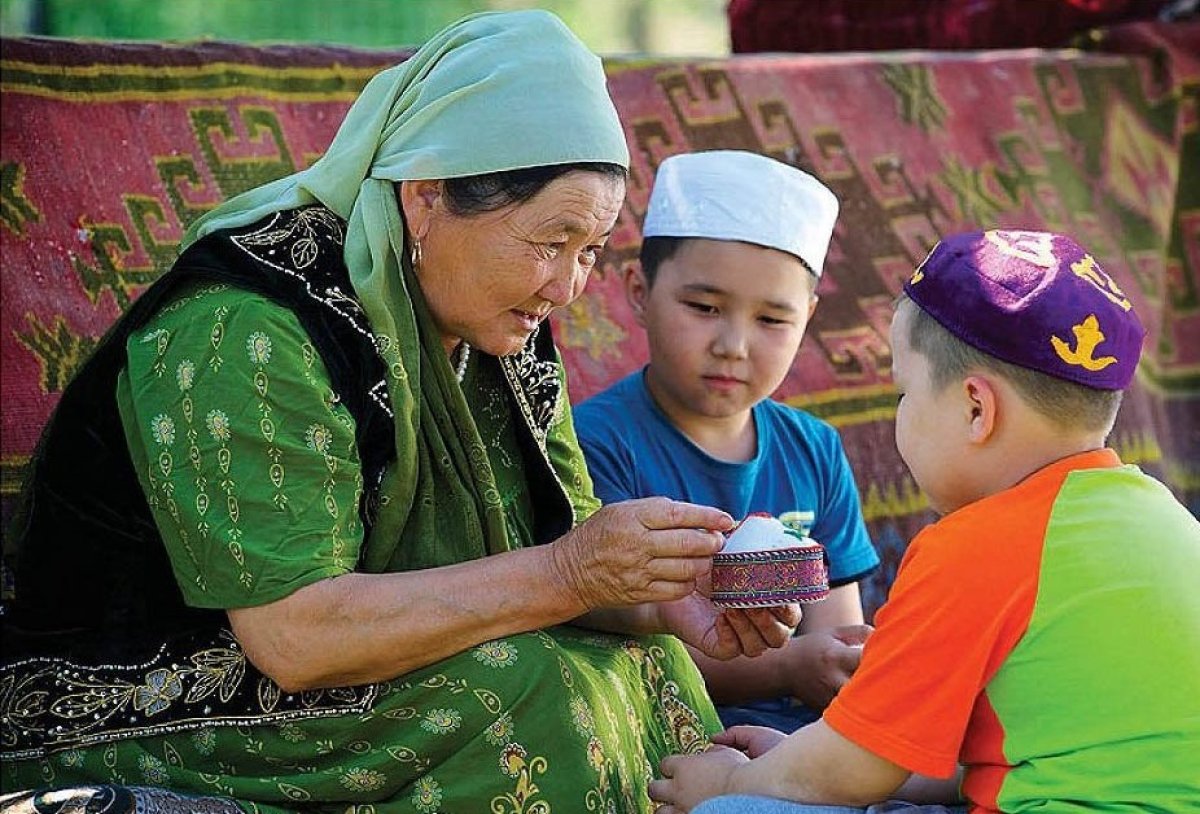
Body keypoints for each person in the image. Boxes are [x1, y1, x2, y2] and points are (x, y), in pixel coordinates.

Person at [0, 11, 805, 812]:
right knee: (534, 693)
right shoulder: (247, 326)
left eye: (588, 251)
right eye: (548, 241)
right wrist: (571, 574)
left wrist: (663, 598)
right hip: (127, 693)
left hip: (348, 659)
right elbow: (296, 636)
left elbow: (562, 552)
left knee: (646, 662)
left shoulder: (504, 327)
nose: (566, 288)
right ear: (425, 198)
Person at [647, 229, 1200, 812]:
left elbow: (851, 770)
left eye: (903, 392)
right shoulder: (1164, 518)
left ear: (975, 409)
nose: (901, 413)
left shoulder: (975, 545)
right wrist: (792, 761)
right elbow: (968, 760)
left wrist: (729, 784)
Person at [575, 150, 879, 733]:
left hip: (800, 745)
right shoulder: (596, 443)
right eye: (705, 307)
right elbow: (627, 641)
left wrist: (835, 667)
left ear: (808, 317)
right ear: (638, 290)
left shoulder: (814, 449)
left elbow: (834, 631)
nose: (734, 345)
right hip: (658, 734)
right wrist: (787, 668)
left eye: (771, 320)